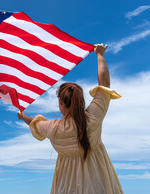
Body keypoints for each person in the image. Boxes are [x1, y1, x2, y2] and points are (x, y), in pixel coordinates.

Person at [17, 44, 123, 194]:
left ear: (61, 103)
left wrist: (23, 117)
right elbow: (104, 85)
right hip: (98, 182)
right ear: (80, 100)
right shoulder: (93, 117)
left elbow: (35, 123)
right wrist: (100, 55)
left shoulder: (53, 128)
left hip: (66, 186)